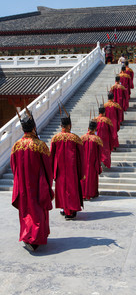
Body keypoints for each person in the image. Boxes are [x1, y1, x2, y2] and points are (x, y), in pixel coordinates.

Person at [11, 108, 54, 252]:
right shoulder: (40, 146)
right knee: (37, 211)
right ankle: (35, 238)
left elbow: (14, 167)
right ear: (33, 127)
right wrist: (48, 182)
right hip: (37, 185)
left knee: (25, 211)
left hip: (23, 186)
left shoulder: (16, 146)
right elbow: (48, 168)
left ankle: (27, 236)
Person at [50, 104, 83, 220]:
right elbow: (81, 157)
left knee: (62, 189)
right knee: (71, 189)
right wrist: (81, 171)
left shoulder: (55, 138)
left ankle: (63, 208)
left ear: (61, 125)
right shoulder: (75, 138)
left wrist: (52, 172)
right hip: (72, 170)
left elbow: (51, 156)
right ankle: (71, 210)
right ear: (69, 125)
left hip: (59, 170)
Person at [80, 120, 103, 200]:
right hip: (93, 163)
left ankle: (83, 194)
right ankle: (91, 194)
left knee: (83, 178)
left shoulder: (82, 138)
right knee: (91, 178)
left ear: (88, 128)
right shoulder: (97, 139)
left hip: (83, 163)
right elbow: (100, 153)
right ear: (95, 129)